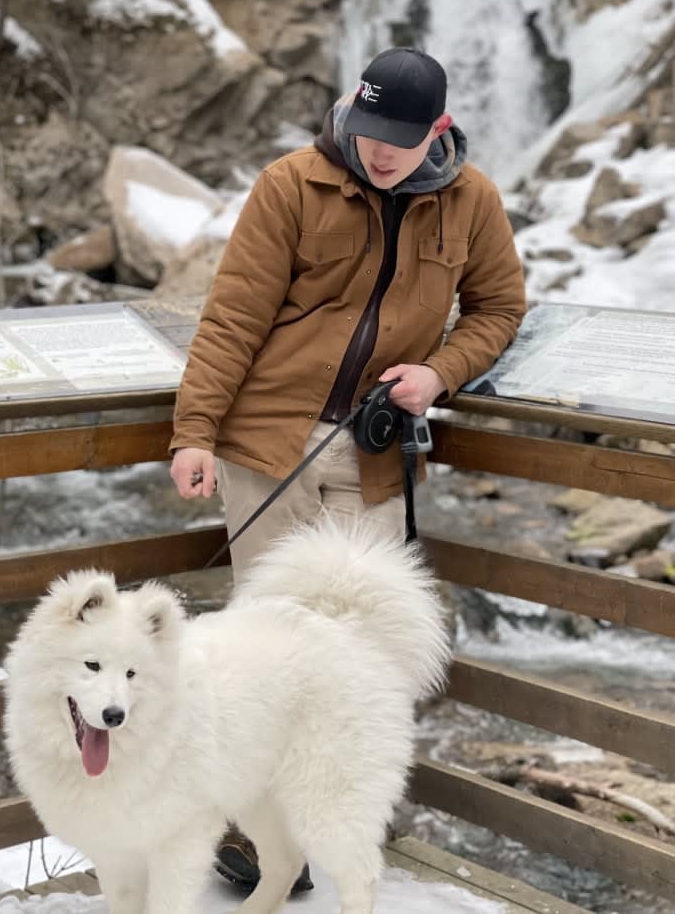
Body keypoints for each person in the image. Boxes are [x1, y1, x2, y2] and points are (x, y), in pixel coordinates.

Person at [169, 46, 527, 893]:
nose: (379, 151)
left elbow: (501, 306)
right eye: (368, 132)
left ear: (438, 129)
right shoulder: (291, 183)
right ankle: (259, 845)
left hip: (371, 458)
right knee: (262, 652)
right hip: (265, 450)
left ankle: (326, 818)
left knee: (355, 658)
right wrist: (194, 431)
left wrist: (440, 372)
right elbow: (231, 318)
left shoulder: (472, 201)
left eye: (400, 139)